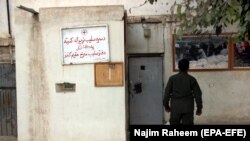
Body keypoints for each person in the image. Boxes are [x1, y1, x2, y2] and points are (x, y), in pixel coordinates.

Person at [163, 59, 202, 125]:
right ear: (188, 67)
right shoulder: (191, 79)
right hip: (188, 107)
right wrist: (199, 108)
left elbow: (167, 94)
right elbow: (198, 95)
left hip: (175, 107)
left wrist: (166, 106)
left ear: (178, 67)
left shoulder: (172, 79)